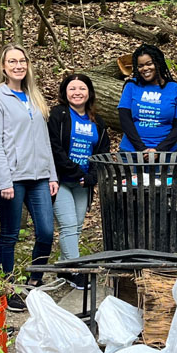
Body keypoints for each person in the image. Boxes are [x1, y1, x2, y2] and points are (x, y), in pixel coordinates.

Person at [0, 45, 57, 307]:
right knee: (10, 235)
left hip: (39, 177)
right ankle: (8, 286)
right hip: (12, 178)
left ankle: (34, 281)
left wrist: (52, 175)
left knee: (46, 232)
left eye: (22, 61)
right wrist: (4, 180)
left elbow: (44, 140)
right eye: (12, 61)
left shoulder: (33, 96)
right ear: (3, 66)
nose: (18, 65)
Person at [47, 73, 111, 270]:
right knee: (67, 225)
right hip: (62, 180)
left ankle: (66, 270)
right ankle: (78, 271)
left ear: (89, 93)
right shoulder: (58, 114)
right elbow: (54, 147)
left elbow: (102, 152)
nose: (77, 92)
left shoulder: (98, 121)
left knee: (76, 227)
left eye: (82, 88)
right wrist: (76, 172)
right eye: (72, 88)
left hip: (84, 183)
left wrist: (92, 176)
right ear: (65, 93)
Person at [118, 44, 177, 155]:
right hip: (131, 153)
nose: (145, 68)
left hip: (166, 155)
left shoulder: (176, 90)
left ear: (158, 63)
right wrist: (142, 149)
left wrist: (159, 150)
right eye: (140, 66)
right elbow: (125, 120)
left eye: (149, 64)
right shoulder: (131, 86)